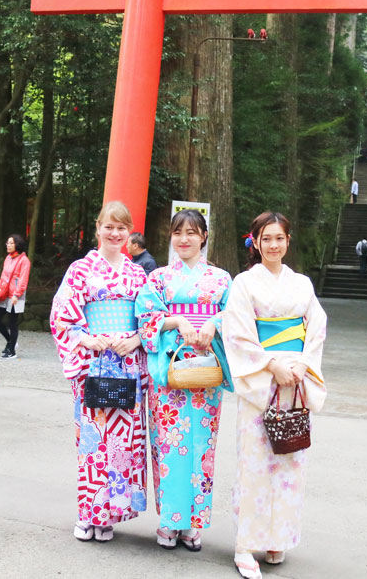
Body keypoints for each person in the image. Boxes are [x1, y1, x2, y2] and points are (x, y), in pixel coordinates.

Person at [222, 212, 327, 579]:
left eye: (279, 238)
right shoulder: (244, 284)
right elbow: (236, 333)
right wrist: (270, 364)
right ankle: (244, 544)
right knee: (254, 463)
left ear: (288, 241)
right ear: (255, 242)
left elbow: (316, 327)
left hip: (295, 380)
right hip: (262, 381)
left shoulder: (302, 284)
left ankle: (277, 537)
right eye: (266, 238)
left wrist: (302, 366)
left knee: (289, 461)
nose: (273, 245)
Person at [49, 201, 149, 542]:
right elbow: (62, 315)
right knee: (92, 440)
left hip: (126, 362)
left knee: (123, 442)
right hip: (93, 361)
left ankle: (108, 516)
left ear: (129, 232)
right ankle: (87, 512)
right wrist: (86, 339)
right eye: (109, 226)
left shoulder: (138, 274)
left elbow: (149, 320)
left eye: (122, 228)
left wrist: (136, 339)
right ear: (98, 228)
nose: (115, 233)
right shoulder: (80, 270)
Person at [135, 209, 233, 551]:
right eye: (178, 233)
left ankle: (194, 523)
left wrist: (214, 323)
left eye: (192, 232)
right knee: (168, 445)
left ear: (204, 237)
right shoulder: (159, 278)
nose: (185, 239)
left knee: (201, 446)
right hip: (170, 372)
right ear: (171, 237)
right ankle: (168, 521)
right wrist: (176, 321)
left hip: (206, 371)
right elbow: (145, 316)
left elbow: (234, 315)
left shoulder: (221, 279)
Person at [0, 233, 31, 359]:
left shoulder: (24, 261)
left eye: (11, 243)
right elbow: (3, 276)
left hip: (15, 296)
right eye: (7, 243)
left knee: (12, 322)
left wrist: (17, 295)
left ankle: (12, 351)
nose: (8, 245)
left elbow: (23, 280)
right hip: (4, 293)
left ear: (17, 244)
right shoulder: (8, 258)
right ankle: (11, 342)